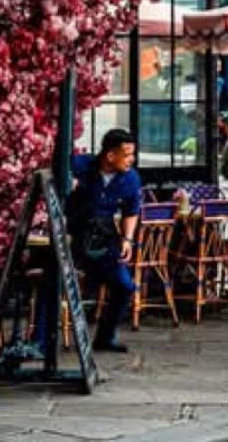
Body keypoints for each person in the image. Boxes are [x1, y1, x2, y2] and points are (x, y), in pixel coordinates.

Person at [67, 128, 141, 353]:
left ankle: (105, 338)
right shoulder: (79, 166)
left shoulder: (130, 178)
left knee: (124, 286)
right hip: (73, 232)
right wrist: (67, 183)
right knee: (53, 282)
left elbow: (131, 210)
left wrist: (127, 240)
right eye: (127, 155)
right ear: (110, 156)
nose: (131, 160)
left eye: (132, 155)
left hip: (104, 235)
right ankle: (40, 340)